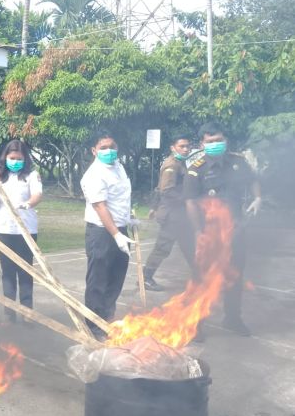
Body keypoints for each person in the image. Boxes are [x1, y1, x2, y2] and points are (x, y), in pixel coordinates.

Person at [184, 121, 261, 337]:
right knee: (201, 278)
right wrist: (198, 231)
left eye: (218, 140)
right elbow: (190, 202)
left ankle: (233, 318)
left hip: (235, 231)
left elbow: (253, 179)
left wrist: (258, 198)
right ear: (202, 143)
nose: (215, 144)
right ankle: (194, 324)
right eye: (210, 141)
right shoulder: (196, 169)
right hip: (209, 232)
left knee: (235, 275)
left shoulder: (238, 162)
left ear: (224, 139)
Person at [80, 130, 135, 338]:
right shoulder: (94, 174)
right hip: (102, 233)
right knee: (98, 280)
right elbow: (100, 206)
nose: (109, 150)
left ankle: (107, 319)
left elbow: (119, 198)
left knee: (117, 276)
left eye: (112, 146)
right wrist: (116, 235)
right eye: (103, 147)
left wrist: (128, 219)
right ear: (94, 151)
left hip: (120, 228)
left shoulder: (119, 168)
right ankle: (94, 325)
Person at [0, 140, 42, 323]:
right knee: (7, 272)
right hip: (4, 229)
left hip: (26, 229)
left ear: (25, 159)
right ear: (5, 158)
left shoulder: (32, 175)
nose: (15, 161)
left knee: (26, 271)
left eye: (19, 158)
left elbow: (37, 195)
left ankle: (27, 312)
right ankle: (9, 313)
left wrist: (28, 204)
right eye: (12, 158)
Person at [143, 134, 195, 291]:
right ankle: (145, 278)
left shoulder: (180, 163)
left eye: (187, 146)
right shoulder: (172, 165)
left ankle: (202, 277)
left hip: (179, 215)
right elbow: (166, 191)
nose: (186, 149)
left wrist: (153, 206)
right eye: (182, 146)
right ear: (173, 148)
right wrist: (188, 199)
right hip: (173, 216)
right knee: (163, 248)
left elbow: (159, 188)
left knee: (190, 246)